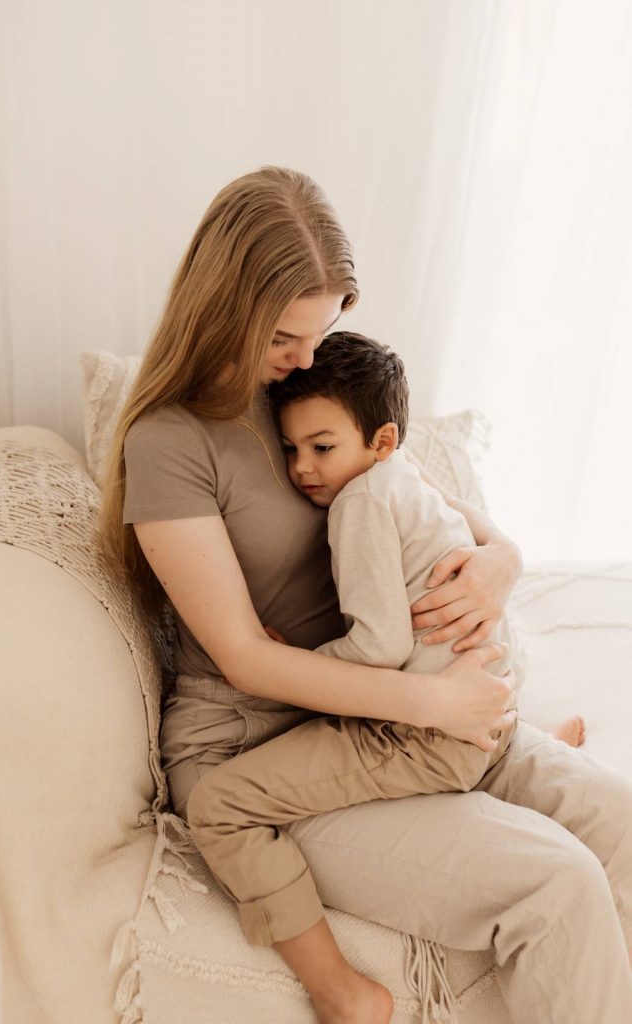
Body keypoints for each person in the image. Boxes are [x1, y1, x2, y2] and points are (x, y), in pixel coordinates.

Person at [101, 165, 632, 1024]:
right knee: (556, 882)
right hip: (262, 740)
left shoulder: (310, 393)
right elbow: (243, 654)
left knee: (618, 819)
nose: (302, 360)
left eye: (319, 333)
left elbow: (447, 512)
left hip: (391, 712)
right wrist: (432, 702)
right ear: (224, 309)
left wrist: (502, 562)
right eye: (283, 337)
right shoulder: (170, 443)